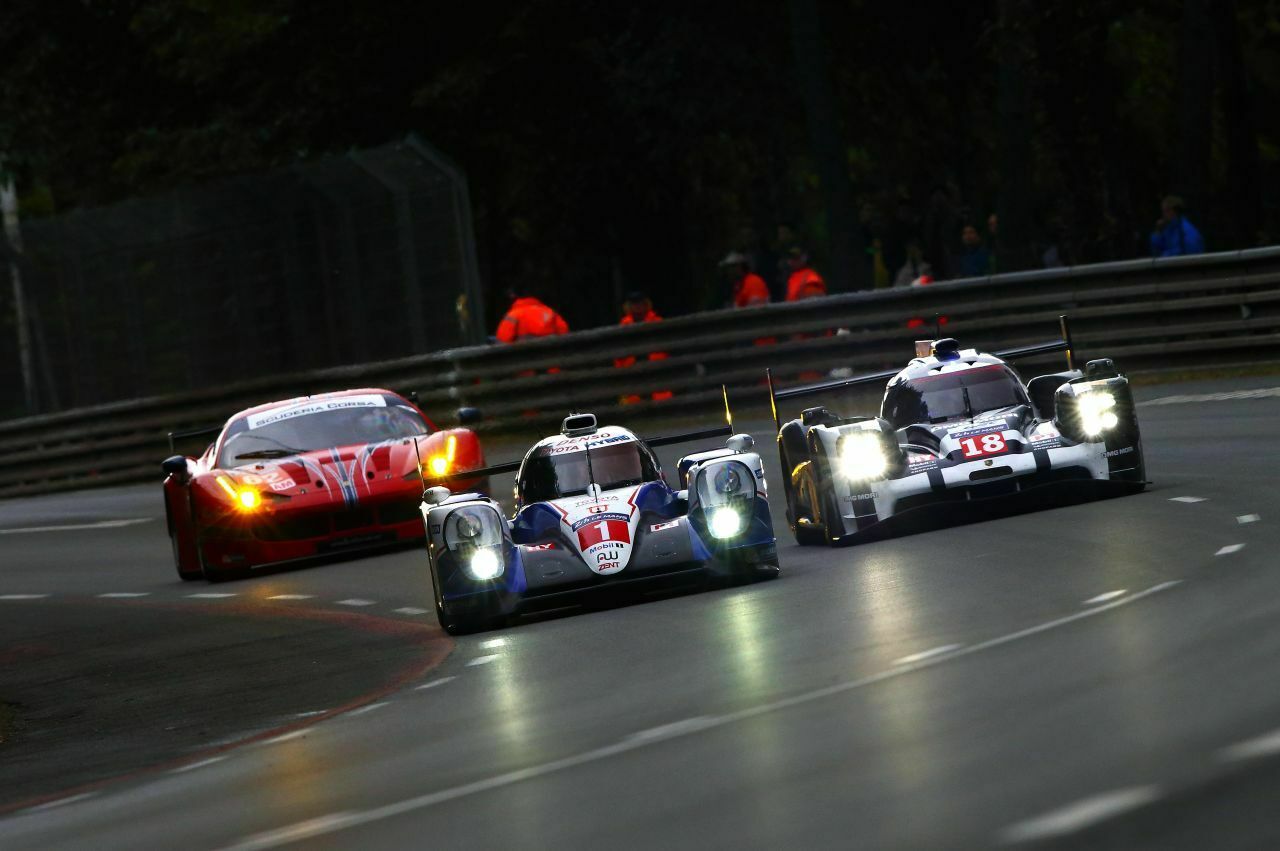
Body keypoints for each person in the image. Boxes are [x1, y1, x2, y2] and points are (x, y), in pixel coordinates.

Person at [614, 291, 672, 402]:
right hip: (633, 377)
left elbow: (668, 349)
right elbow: (619, 356)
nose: (637, 307)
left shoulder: (658, 323)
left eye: (640, 303)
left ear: (646, 304)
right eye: (634, 304)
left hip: (657, 376)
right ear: (629, 306)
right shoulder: (623, 326)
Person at [494, 289, 569, 343]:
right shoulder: (550, 312)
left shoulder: (514, 314)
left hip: (525, 361)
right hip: (551, 361)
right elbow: (564, 332)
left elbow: (502, 340)